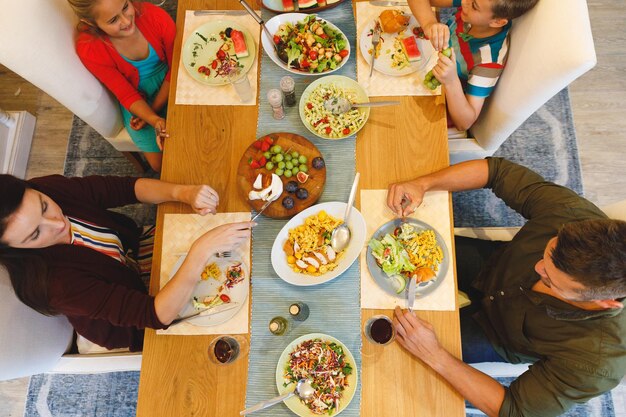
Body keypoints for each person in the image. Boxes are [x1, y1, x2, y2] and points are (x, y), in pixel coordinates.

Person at [386, 158, 626, 417]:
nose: (536, 269)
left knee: (394, 341)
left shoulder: (598, 362)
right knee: (396, 244)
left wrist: (436, 356)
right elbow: (497, 171)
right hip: (495, 264)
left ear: (606, 302)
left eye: (550, 280)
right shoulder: (570, 213)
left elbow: (514, 410)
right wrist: (423, 183)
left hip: (497, 335)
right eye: (546, 253)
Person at [0, 173, 254, 352]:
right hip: (135, 321)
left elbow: (124, 188)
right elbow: (154, 315)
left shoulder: (44, 189)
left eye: (44, 206)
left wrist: (183, 192)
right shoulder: (57, 286)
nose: (57, 223)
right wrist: (201, 250)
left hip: (133, 252)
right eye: (35, 234)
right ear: (14, 250)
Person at [69, 0, 176, 172]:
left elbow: (177, 66)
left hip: (173, 79)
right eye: (113, 20)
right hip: (137, 99)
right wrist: (153, 119)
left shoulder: (153, 15)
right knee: (161, 165)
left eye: (126, 7)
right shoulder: (90, 49)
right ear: (90, 23)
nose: (126, 21)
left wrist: (153, 111)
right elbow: (126, 94)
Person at [407, 0, 539, 132]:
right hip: (430, 61)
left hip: (447, 97)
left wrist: (451, 81)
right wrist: (429, 23)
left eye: (475, 6)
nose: (464, 1)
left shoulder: (489, 62)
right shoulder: (475, 3)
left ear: (497, 22)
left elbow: (464, 123)